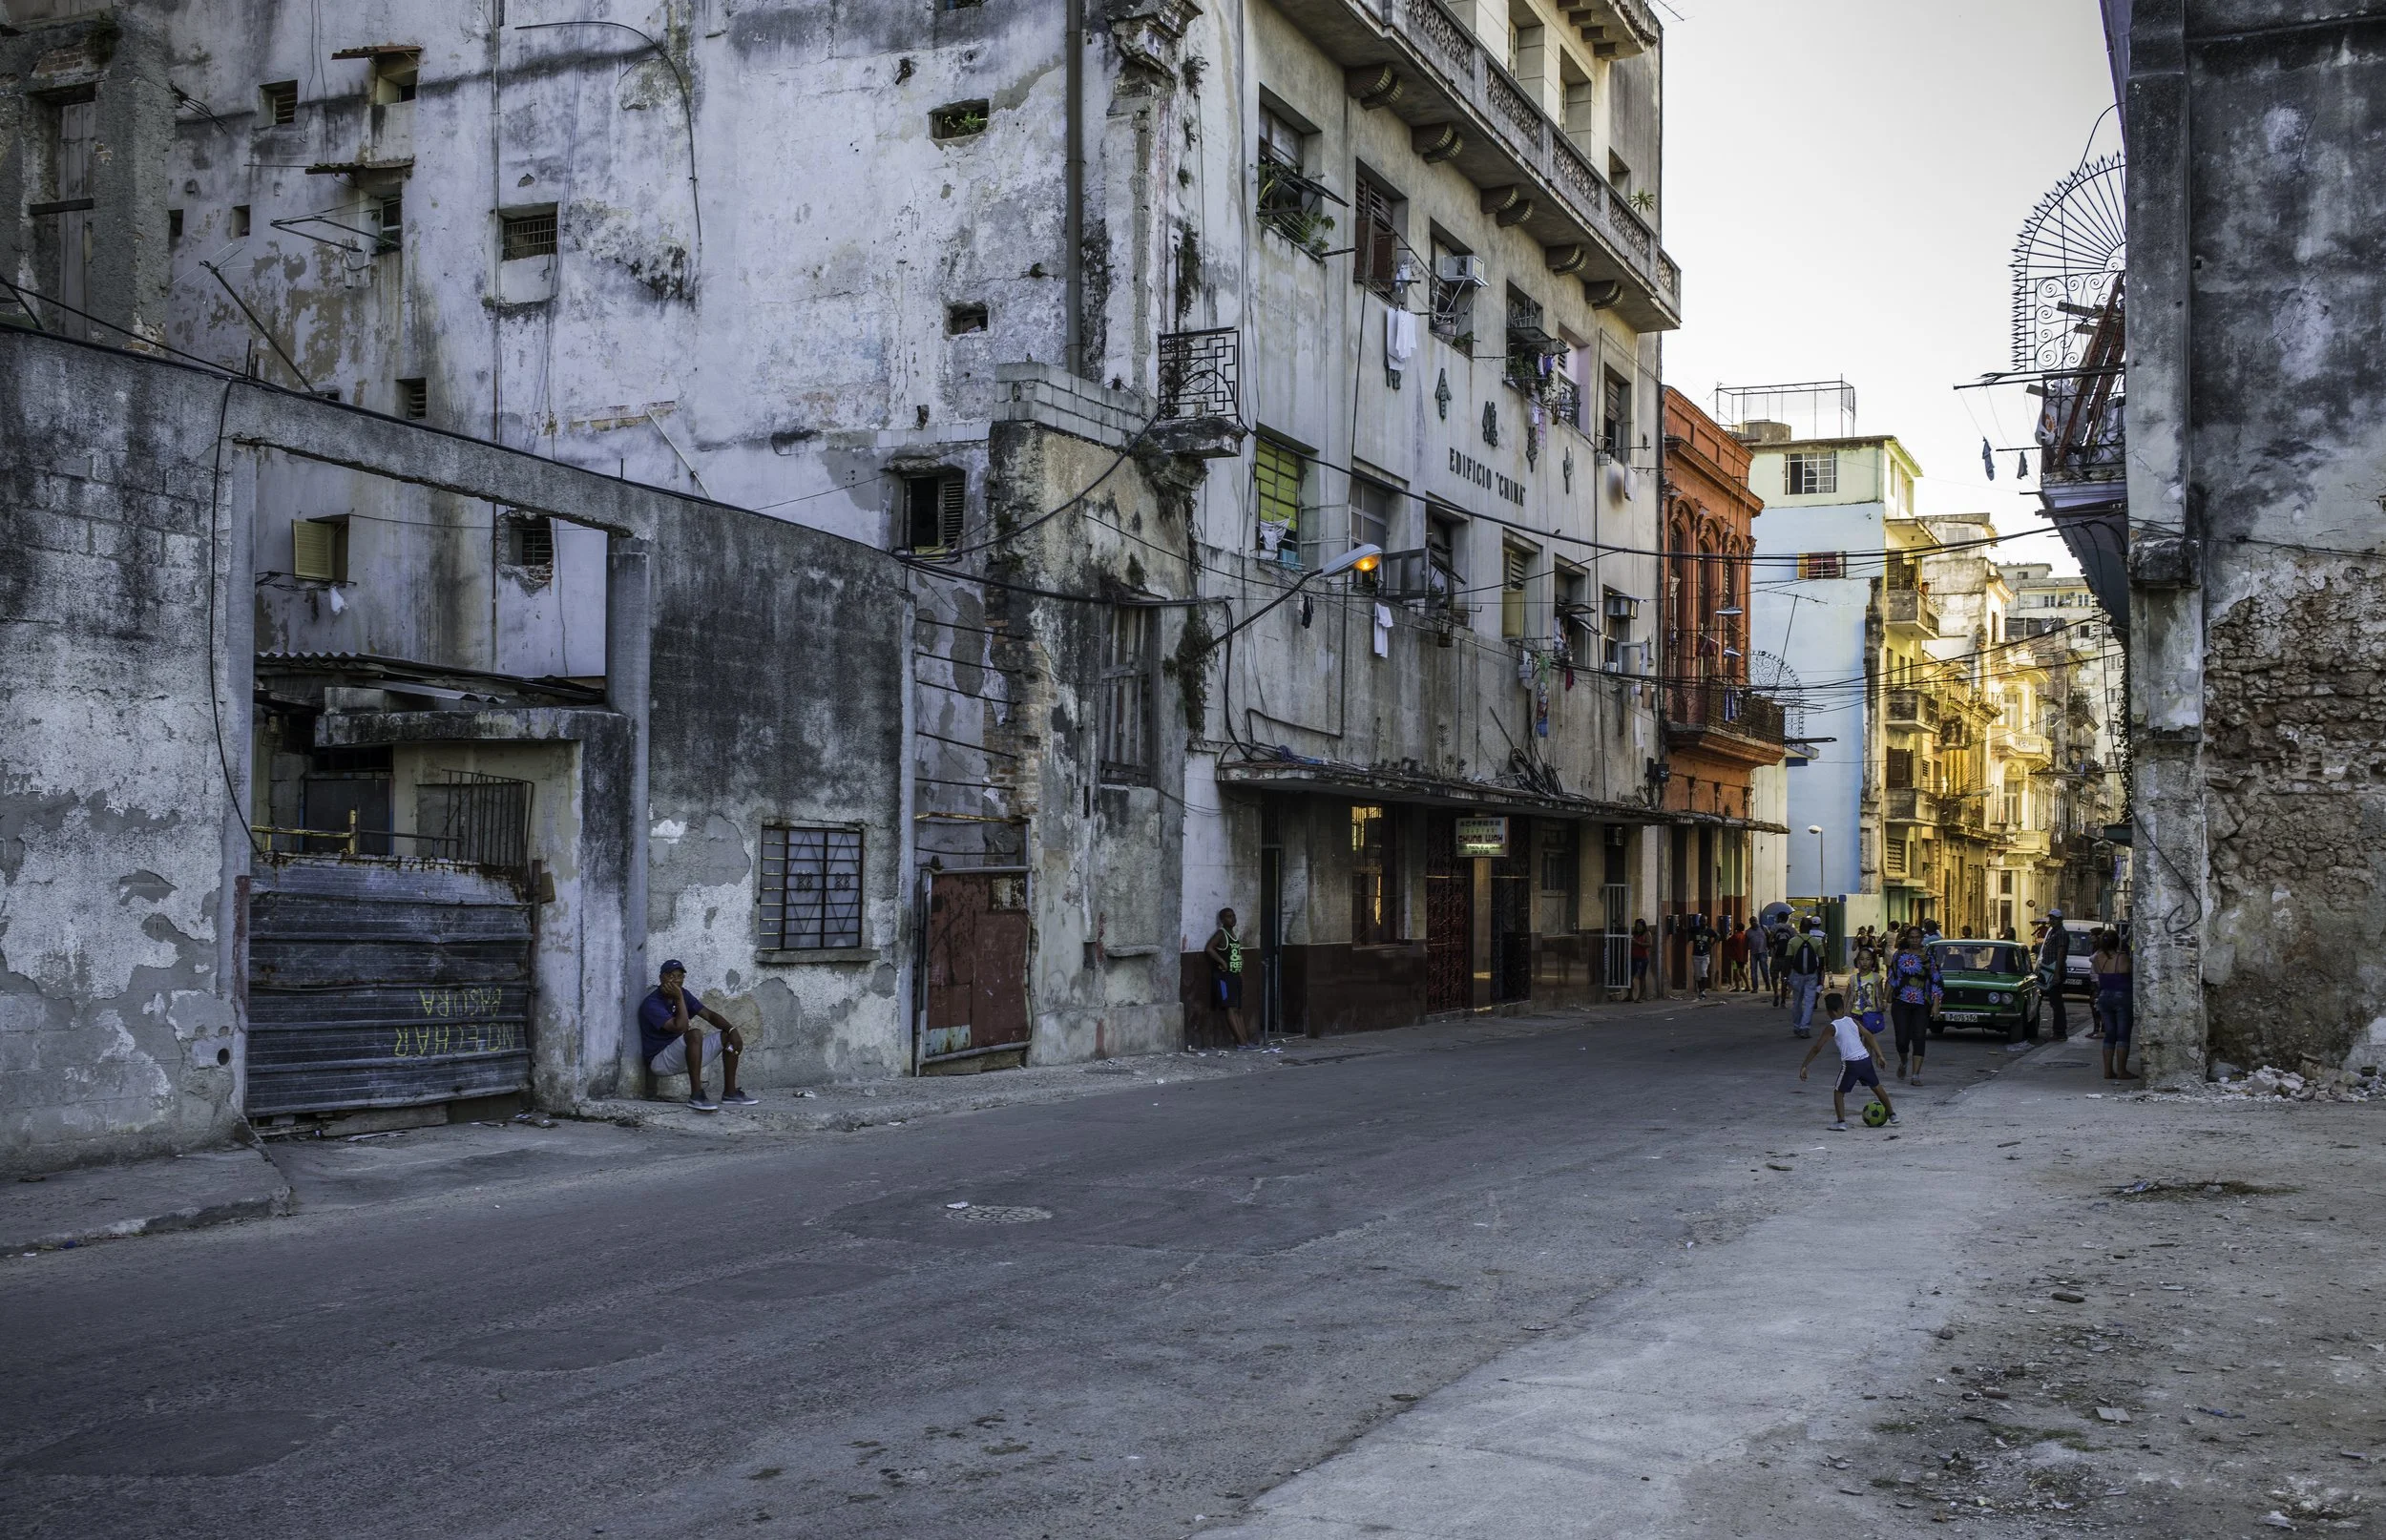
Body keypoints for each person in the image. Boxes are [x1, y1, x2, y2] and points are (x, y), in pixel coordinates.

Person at [638, 959, 754, 1112]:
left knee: (728, 1037)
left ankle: (730, 1092)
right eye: (671, 976)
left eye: (680, 976)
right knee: (694, 1034)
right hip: (661, 1061)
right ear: (662, 978)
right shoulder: (652, 1003)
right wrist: (679, 997)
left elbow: (709, 1015)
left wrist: (732, 1030)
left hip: (684, 1056)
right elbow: (681, 1027)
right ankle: (696, 1095)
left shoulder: (683, 995)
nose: (676, 980)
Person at [1799, 989, 1899, 1132]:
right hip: (1865, 1059)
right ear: (1842, 1008)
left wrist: (1805, 1065)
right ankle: (1892, 1114)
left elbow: (1817, 1048)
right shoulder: (1852, 1020)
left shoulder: (1832, 1027)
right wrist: (1879, 1055)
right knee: (1876, 1086)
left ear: (1830, 1012)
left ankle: (1841, 1122)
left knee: (1838, 1092)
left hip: (1851, 1063)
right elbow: (1869, 1036)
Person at [1885, 926, 1937, 1085]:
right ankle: (1903, 1061)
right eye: (1912, 937)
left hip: (1921, 1003)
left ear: (1922, 938)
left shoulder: (1928, 957)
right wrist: (1884, 997)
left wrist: (1936, 1003)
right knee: (1902, 1039)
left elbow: (1936, 979)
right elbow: (1892, 976)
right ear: (1907, 939)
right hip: (1901, 1002)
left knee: (1919, 1037)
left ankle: (1915, 1075)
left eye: (1917, 937)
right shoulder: (1899, 956)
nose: (1915, 940)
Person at [1204, 907, 1253, 1047]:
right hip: (1224, 977)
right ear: (1222, 920)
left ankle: (1245, 1041)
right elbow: (1209, 948)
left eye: (1233, 916)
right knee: (1230, 1008)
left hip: (1235, 975)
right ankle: (1241, 1042)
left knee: (1237, 1009)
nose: (1233, 919)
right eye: (1228, 917)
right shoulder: (1221, 933)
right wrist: (1222, 962)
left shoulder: (1233, 934)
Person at [2093, 927, 2137, 1081]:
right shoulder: (2122, 957)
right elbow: (2129, 971)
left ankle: (2107, 1071)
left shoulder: (2097, 958)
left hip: (2104, 996)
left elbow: (2097, 974)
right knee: (2123, 1035)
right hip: (2122, 996)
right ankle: (2121, 1070)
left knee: (2109, 1035)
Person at [1784, 919, 1828, 1038]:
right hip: (1811, 975)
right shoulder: (1816, 942)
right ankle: (1805, 1028)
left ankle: (1797, 1026)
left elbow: (1788, 960)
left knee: (1796, 1001)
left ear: (1800, 927)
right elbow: (1822, 960)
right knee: (1809, 1002)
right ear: (1810, 928)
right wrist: (1820, 977)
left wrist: (1786, 976)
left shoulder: (1793, 941)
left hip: (1797, 974)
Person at [2035, 906, 2071, 1042]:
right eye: (2051, 918)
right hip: (2047, 971)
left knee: (2056, 1003)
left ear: (2060, 920)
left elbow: (2060, 953)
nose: (2052, 921)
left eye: (2055, 919)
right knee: (2045, 1001)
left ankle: (2060, 1032)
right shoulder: (2053, 932)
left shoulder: (2061, 933)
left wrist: (2056, 973)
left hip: (2054, 972)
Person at [1850, 947, 1887, 1048]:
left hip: (1870, 1013)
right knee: (1855, 1040)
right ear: (1857, 962)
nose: (1864, 962)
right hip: (1855, 1014)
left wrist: (1882, 1004)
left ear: (1872, 961)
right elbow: (1848, 996)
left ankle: (1868, 1061)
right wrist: (1845, 1012)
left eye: (1868, 959)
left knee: (1868, 1040)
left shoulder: (1876, 977)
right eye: (1861, 959)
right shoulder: (1853, 979)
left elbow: (1879, 994)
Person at [1689, 913, 1717, 998]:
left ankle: (1703, 990)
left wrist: (1711, 944)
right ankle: (1700, 989)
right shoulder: (1696, 929)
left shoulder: (1709, 931)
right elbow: (1687, 930)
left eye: (1704, 921)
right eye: (1701, 921)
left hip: (1705, 955)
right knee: (1697, 974)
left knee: (1703, 971)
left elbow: (1717, 936)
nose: (1702, 923)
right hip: (1696, 955)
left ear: (1706, 922)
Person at [1770, 920, 1794, 1009]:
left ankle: (1776, 993)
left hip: (1776, 957)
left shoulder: (1774, 927)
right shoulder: (1791, 929)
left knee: (1774, 977)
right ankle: (1783, 1001)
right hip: (1786, 958)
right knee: (1784, 979)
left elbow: (1769, 941)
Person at [1724, 916, 1750, 992]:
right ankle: (1748, 986)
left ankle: (1738, 987)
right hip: (1743, 957)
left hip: (1735, 957)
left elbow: (1728, 942)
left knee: (1736, 971)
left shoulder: (1735, 936)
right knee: (1742, 971)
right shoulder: (1744, 936)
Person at [1629, 918, 1653, 1001]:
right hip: (1633, 956)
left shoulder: (1647, 933)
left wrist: (1638, 943)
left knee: (1641, 976)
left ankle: (1640, 996)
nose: (1638, 928)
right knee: (1630, 976)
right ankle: (1630, 995)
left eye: (1640, 926)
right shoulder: (1634, 934)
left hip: (1642, 957)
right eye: (1637, 926)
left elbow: (1649, 944)